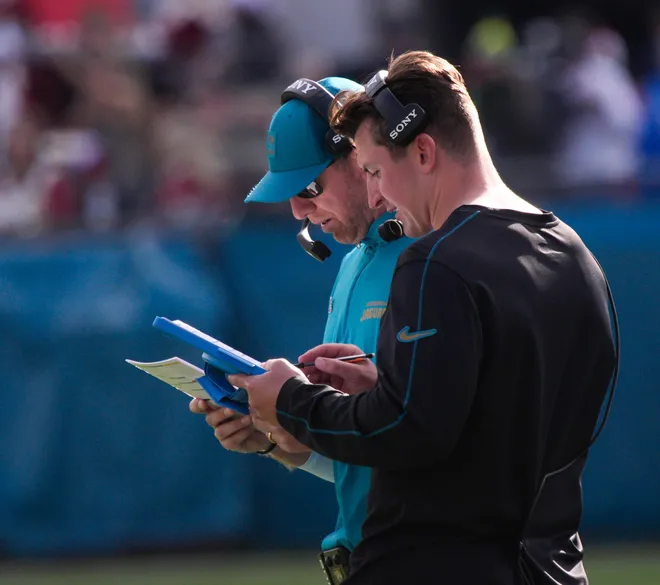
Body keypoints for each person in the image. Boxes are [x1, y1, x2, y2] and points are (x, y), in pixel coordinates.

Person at [230, 50, 618, 585]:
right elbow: (505, 429)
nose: (376, 194)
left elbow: (406, 431)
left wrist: (292, 403)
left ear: (424, 152)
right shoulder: (576, 255)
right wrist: (387, 386)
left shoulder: (435, 260)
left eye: (373, 170)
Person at [189, 76, 412, 582]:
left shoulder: (435, 256)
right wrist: (281, 438)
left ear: (363, 156)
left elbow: (439, 448)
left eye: (310, 187)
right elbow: (365, 463)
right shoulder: (354, 263)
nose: (298, 210)